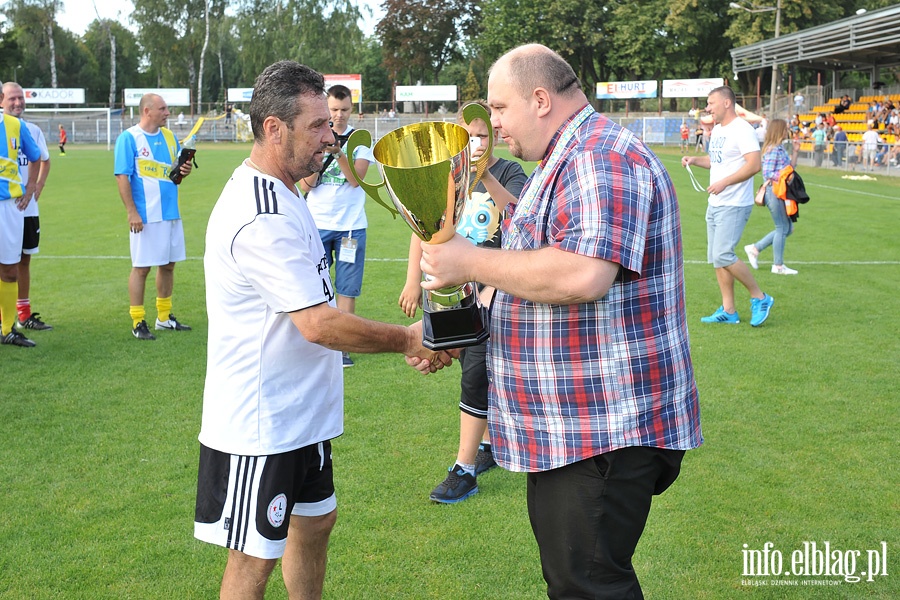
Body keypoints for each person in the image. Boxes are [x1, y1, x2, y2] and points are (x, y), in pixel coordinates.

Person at [415, 44, 702, 598]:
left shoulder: (599, 154)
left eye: (499, 108)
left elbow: (582, 274)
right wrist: (453, 330)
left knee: (589, 585)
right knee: (579, 581)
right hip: (578, 426)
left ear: (540, 99)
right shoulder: (568, 157)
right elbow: (531, 275)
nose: (491, 124)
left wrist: (468, 260)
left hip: (602, 427)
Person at [194, 59, 453, 600]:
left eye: (330, 125)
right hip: (260, 425)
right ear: (273, 129)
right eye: (317, 126)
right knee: (252, 563)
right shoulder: (259, 212)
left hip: (302, 416)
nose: (331, 138)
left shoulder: (290, 192)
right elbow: (316, 323)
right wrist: (407, 338)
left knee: (314, 526)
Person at [398, 101, 527, 504]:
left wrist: (485, 171)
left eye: (484, 135)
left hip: (494, 286)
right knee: (461, 362)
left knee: (476, 369)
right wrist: (413, 281)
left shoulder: (509, 171)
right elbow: (423, 228)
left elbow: (520, 217)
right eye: (470, 136)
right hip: (456, 288)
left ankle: (465, 468)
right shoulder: (448, 176)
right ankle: (487, 446)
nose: (476, 143)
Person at [682, 85, 774, 327]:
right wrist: (694, 160)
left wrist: (725, 182)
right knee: (717, 257)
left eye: (711, 103)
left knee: (723, 254)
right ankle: (729, 310)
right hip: (716, 202)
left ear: (726, 103)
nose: (707, 107)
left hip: (734, 203)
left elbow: (754, 165)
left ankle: (760, 297)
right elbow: (716, 161)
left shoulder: (742, 129)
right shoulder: (720, 130)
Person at [299, 85, 374, 368]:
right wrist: (319, 160)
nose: (338, 116)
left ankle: (343, 348)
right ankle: (314, 341)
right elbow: (306, 184)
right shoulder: (315, 137)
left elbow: (357, 179)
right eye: (333, 110)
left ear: (351, 109)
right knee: (314, 283)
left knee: (347, 287)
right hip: (317, 223)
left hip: (350, 226)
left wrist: (339, 153)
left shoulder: (360, 141)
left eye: (343, 110)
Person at [114, 93, 193, 341]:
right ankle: (138, 321)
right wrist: (131, 212)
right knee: (141, 268)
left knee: (168, 265)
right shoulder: (129, 138)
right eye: (163, 108)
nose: (167, 113)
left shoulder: (169, 137)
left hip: (171, 212)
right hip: (145, 216)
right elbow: (122, 177)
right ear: (147, 111)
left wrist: (184, 170)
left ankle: (164, 317)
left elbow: (174, 174)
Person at [1, 82, 53, 332]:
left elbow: (44, 160)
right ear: (2, 100)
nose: (18, 103)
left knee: (23, 259)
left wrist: (34, 187)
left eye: (20, 98)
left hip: (25, 207)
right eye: (12, 99)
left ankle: (23, 314)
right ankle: (5, 318)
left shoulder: (31, 129)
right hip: (6, 204)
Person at [744, 119, 801, 276]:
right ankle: (777, 265)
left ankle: (755, 249)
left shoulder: (780, 148)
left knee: (787, 228)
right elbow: (767, 173)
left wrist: (795, 152)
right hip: (773, 191)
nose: (787, 131)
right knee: (782, 228)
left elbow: (791, 168)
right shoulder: (773, 149)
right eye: (785, 129)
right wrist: (783, 176)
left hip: (781, 191)